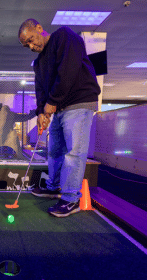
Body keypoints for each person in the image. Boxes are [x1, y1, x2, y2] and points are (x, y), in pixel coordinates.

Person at [18, 19, 101, 217]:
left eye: (31, 39)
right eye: (26, 45)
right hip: (60, 108)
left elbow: (68, 71)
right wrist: (40, 112)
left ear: (39, 28)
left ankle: (71, 199)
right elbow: (40, 90)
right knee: (54, 150)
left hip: (79, 103)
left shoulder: (63, 36)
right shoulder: (38, 63)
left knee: (74, 153)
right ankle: (53, 186)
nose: (31, 46)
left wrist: (52, 102)